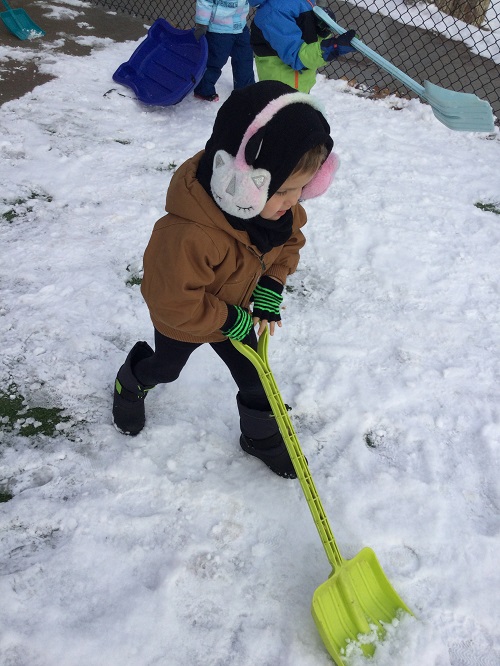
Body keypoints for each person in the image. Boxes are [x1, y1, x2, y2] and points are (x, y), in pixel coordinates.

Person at [112, 81, 338, 479]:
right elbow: (172, 300)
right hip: (186, 320)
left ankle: (260, 438)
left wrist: (271, 285)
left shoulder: (277, 214)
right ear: (241, 179)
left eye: (303, 188)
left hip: (234, 313)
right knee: (167, 369)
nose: (294, 201)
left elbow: (289, 244)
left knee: (256, 378)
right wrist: (225, 319)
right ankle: (131, 381)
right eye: (284, 190)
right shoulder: (187, 233)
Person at [248, 0, 356, 93]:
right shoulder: (276, 12)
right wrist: (334, 47)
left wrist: (323, 31)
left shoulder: (303, 3)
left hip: (299, 85)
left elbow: (310, 42)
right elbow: (296, 57)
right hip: (282, 91)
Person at [193, 0, 255, 102]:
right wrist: (201, 24)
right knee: (215, 60)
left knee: (245, 58)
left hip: (240, 25)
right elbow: (205, 2)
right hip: (219, 28)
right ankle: (203, 89)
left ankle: (246, 88)